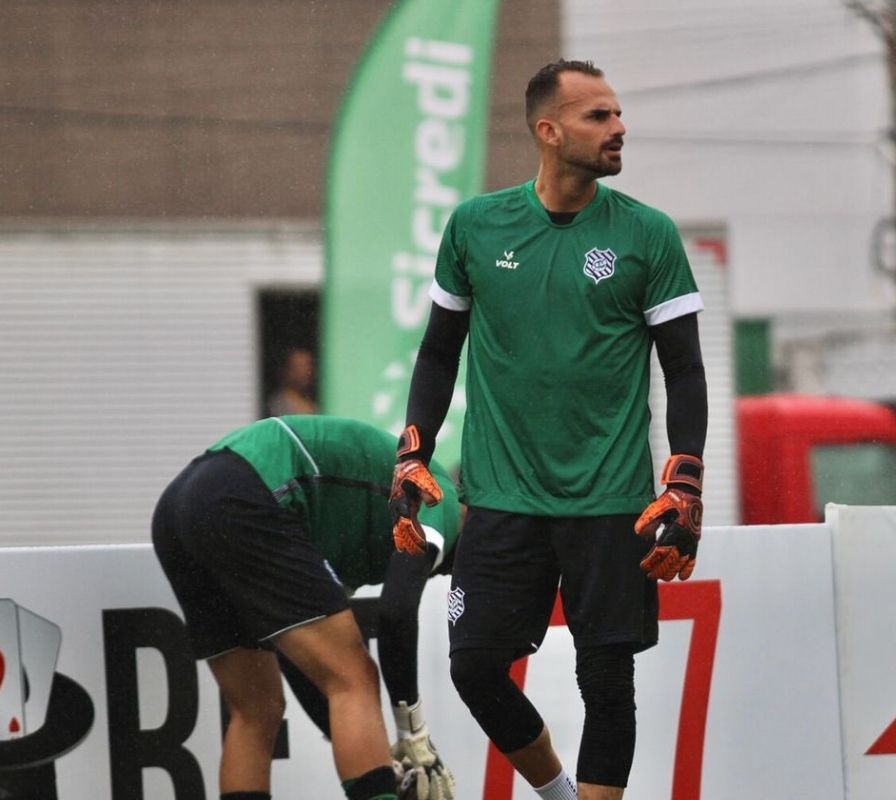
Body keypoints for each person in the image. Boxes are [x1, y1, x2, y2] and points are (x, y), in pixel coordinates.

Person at [387, 59, 708, 800]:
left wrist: (685, 477)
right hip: (501, 499)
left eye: (619, 114)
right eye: (599, 116)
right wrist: (413, 452)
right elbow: (438, 354)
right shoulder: (474, 226)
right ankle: (558, 792)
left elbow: (685, 372)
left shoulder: (648, 235)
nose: (619, 128)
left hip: (611, 500)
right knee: (472, 665)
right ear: (548, 129)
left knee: (607, 679)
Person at [152, 415, 459, 800]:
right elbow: (395, 614)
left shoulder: (356, 528)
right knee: (355, 677)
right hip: (244, 489)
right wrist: (412, 732)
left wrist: (381, 761)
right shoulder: (442, 500)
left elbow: (301, 659)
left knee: (256, 710)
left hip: (182, 508)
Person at [266, 347, 319, 416]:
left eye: (308, 367)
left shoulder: (315, 402)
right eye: (299, 367)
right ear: (285, 370)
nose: (306, 372)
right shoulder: (276, 405)